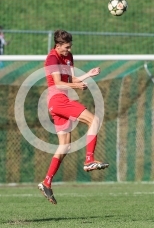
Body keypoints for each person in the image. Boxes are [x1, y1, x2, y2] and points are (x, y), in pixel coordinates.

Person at [38, 29, 109, 204]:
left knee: (65, 146)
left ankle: (46, 182)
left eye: (70, 47)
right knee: (94, 120)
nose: (68, 50)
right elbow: (58, 83)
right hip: (58, 99)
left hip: (60, 101)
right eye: (66, 47)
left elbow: (70, 79)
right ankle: (89, 160)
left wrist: (88, 75)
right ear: (58, 45)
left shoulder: (68, 57)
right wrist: (77, 87)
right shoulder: (52, 58)